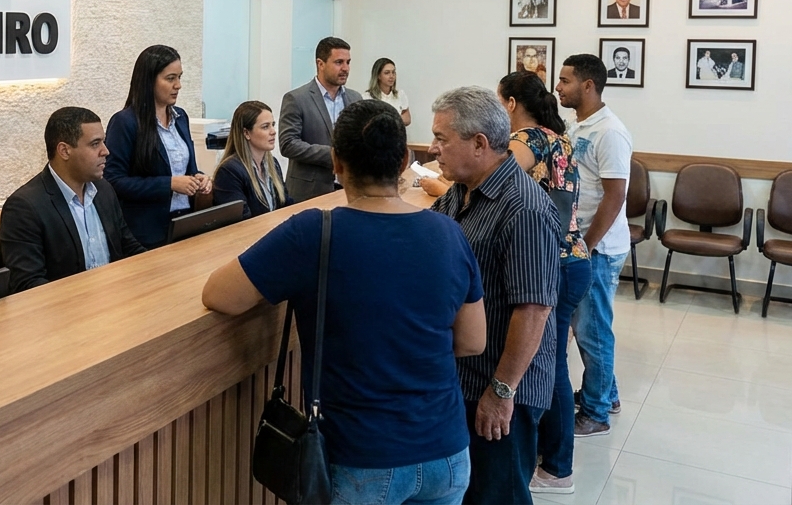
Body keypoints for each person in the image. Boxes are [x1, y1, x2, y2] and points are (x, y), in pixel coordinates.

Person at [203, 100, 487, 505]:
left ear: (336, 162)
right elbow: (472, 341)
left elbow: (219, 295)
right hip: (445, 450)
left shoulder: (312, 233)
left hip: (362, 456)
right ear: (405, 159)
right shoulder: (448, 232)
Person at [427, 87, 560, 505]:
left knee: (498, 493)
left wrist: (501, 392)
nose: (433, 149)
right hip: (465, 378)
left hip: (503, 386)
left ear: (480, 144)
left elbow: (534, 310)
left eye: (442, 139)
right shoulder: (461, 193)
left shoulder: (523, 208)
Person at [496, 72, 592, 495]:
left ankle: (557, 468)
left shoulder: (529, 138)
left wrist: (440, 185)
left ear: (512, 103)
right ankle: (550, 457)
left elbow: (496, 182)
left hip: (554, 262)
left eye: (500, 103)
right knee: (552, 361)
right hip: (574, 259)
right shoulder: (560, 137)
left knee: (548, 366)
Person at [555, 55, 634, 440]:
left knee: (593, 331)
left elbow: (616, 195)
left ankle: (597, 412)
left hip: (598, 249)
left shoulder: (610, 131)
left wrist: (586, 245)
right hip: (581, 242)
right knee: (588, 327)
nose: (558, 86)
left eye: (565, 80)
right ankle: (606, 394)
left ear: (588, 85)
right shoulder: (578, 125)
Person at [1, 107, 146, 293]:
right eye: (95, 144)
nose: (106, 151)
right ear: (64, 151)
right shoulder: (24, 207)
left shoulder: (104, 190)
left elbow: (129, 248)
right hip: (64, 313)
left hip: (114, 300)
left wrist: (159, 269)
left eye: (104, 142)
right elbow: (28, 284)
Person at [105, 45, 210, 248]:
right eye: (170, 78)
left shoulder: (181, 117)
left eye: (180, 77)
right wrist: (168, 184)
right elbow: (113, 181)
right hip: (146, 232)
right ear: (149, 81)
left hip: (185, 222)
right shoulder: (125, 122)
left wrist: (200, 178)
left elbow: (187, 170)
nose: (178, 85)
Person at [279, 36, 363, 202]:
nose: (345, 68)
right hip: (309, 191)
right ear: (320, 64)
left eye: (348, 62)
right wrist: (332, 155)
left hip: (349, 190)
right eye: (339, 62)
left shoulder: (355, 98)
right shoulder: (296, 98)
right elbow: (288, 144)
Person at [210, 100, 292, 219]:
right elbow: (240, 220)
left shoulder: (273, 164)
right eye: (265, 127)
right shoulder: (229, 171)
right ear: (246, 133)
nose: (273, 131)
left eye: (273, 125)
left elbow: (286, 204)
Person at [367, 57, 413, 126]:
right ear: (378, 76)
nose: (391, 76)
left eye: (393, 72)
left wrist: (385, 120)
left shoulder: (400, 94)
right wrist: (397, 119)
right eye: (387, 73)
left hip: (398, 135)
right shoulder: (367, 97)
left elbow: (407, 119)